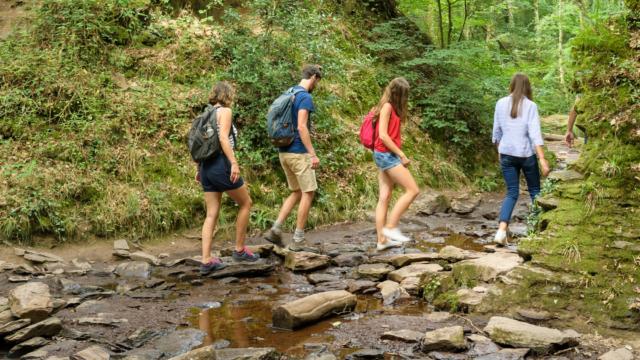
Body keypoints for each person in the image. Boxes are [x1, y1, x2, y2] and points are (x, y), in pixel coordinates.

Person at [196, 81, 259, 275]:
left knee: (211, 214)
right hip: (221, 164)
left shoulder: (204, 115)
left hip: (206, 167)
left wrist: (199, 168)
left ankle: (206, 261)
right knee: (246, 203)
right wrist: (233, 163)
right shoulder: (224, 111)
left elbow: (200, 143)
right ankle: (239, 250)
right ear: (227, 95)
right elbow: (223, 138)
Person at [264, 65, 322, 249]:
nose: (316, 85)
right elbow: (302, 127)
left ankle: (275, 229)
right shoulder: (305, 96)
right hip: (298, 153)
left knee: (296, 192)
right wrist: (312, 154)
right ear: (313, 77)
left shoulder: (289, 92)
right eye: (317, 81)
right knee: (308, 192)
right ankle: (298, 239)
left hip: (284, 152)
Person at [492, 73, 551, 245]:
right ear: (527, 87)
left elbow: (496, 132)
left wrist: (499, 152)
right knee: (534, 191)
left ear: (511, 85)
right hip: (526, 155)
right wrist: (542, 159)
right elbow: (535, 134)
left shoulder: (500, 103)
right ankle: (537, 229)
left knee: (512, 192)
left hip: (507, 154)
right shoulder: (531, 106)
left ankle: (501, 231)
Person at [372, 77, 419, 251]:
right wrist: (401, 154)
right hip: (386, 155)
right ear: (399, 94)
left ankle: (381, 240)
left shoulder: (389, 108)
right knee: (413, 190)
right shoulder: (387, 107)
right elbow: (383, 135)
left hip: (383, 154)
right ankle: (390, 227)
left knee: (384, 197)